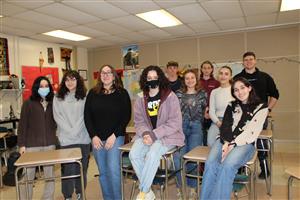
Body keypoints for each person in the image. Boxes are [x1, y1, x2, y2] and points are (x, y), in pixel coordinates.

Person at [200, 77, 268, 200]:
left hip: (245, 144)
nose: (240, 92)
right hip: (224, 140)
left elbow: (252, 131)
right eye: (236, 90)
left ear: (249, 88)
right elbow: (225, 125)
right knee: (210, 164)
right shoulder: (231, 105)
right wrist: (226, 143)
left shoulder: (261, 107)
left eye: (242, 88)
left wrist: (233, 144)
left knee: (227, 166)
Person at [129, 65, 185, 200]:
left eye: (155, 77)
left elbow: (175, 122)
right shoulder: (140, 99)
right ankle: (149, 192)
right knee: (133, 154)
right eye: (149, 78)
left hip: (168, 136)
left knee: (153, 153)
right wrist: (146, 134)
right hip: (146, 135)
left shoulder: (170, 96)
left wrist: (155, 135)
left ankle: (143, 192)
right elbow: (139, 122)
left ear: (160, 79)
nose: (152, 80)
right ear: (145, 80)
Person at [84, 64, 131, 200]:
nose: (105, 75)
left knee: (113, 170)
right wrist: (93, 136)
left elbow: (126, 116)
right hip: (97, 139)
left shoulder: (122, 93)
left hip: (115, 137)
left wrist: (114, 135)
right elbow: (87, 116)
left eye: (108, 72)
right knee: (103, 172)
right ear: (100, 76)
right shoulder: (93, 93)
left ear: (114, 75)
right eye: (103, 73)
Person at [234, 51, 279, 179]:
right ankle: (241, 169)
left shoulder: (265, 77)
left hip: (260, 116)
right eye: (246, 60)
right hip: (242, 116)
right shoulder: (237, 78)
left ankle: (264, 169)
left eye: (251, 59)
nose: (248, 61)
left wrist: (267, 110)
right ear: (243, 62)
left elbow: (275, 95)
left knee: (260, 142)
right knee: (241, 141)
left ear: (255, 61)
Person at [53, 70, 91, 200]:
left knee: (82, 168)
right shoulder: (57, 97)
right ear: (64, 82)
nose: (70, 82)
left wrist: (75, 131)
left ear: (78, 81)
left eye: (73, 79)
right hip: (65, 139)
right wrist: (70, 131)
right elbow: (57, 117)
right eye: (67, 80)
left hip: (83, 138)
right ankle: (67, 195)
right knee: (68, 170)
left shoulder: (85, 96)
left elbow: (85, 116)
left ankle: (80, 192)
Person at [18, 76, 57, 200]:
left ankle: (47, 198)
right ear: (36, 87)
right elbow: (22, 125)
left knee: (49, 176)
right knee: (28, 176)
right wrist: (21, 145)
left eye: (46, 86)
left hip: (49, 144)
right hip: (31, 146)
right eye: (41, 86)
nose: (44, 88)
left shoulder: (53, 102)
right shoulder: (28, 103)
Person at [175, 69, 207, 199]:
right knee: (180, 158)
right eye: (187, 78)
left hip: (196, 127)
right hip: (181, 127)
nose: (190, 80)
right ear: (184, 80)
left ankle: (193, 187)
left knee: (193, 159)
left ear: (196, 79)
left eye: (192, 78)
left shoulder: (202, 94)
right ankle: (180, 187)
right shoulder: (178, 94)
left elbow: (205, 109)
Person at [207, 66, 234, 147]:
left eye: (226, 74)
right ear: (218, 76)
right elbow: (211, 111)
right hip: (217, 121)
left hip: (231, 122)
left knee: (227, 145)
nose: (223, 76)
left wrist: (227, 124)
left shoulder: (235, 90)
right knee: (210, 143)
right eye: (221, 73)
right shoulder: (214, 92)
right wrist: (218, 123)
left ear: (230, 76)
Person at [199, 61, 220, 146]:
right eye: (204, 68)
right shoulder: (197, 82)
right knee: (202, 136)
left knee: (212, 137)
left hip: (213, 113)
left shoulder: (216, 83)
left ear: (212, 69)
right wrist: (203, 111)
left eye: (208, 68)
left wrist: (210, 111)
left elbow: (218, 98)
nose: (206, 70)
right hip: (200, 113)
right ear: (201, 69)